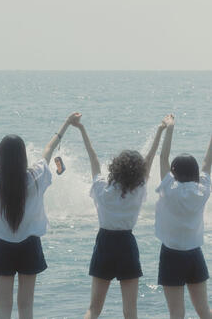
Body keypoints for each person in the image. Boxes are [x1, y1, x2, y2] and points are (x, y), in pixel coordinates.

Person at [0, 96, 76, 319]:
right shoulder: (36, 176)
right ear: (23, 156)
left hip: (2, 245)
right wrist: (66, 123)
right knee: (26, 307)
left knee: (3, 307)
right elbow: (49, 149)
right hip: (30, 245)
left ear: (1, 156)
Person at [70, 113, 169, 319]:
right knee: (130, 312)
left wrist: (81, 129)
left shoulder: (102, 189)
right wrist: (161, 130)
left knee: (94, 309)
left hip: (104, 243)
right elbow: (150, 158)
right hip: (126, 243)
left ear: (115, 168)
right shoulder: (137, 190)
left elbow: (93, 157)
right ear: (138, 172)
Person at [156, 114, 211, 319]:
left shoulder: (169, 190)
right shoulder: (202, 191)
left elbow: (163, 157)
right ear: (195, 172)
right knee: (204, 310)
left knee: (176, 313)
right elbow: (207, 161)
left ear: (174, 172)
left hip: (171, 255)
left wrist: (169, 128)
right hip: (194, 254)